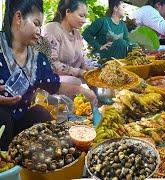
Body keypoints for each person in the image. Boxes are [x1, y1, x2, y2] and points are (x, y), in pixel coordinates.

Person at [0, 0, 96, 150]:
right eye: (36, 23)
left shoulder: (37, 54)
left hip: (20, 119)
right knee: (2, 116)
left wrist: (83, 91)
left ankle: (27, 162)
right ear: (19, 18)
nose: (39, 31)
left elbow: (53, 84)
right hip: (3, 121)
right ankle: (5, 165)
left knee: (41, 114)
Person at [42, 0, 91, 85]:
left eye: (86, 17)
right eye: (81, 16)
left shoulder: (77, 34)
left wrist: (91, 71)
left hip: (73, 77)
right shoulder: (52, 29)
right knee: (76, 82)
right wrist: (79, 72)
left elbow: (82, 61)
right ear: (68, 12)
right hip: (51, 78)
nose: (84, 20)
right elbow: (51, 64)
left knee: (95, 80)